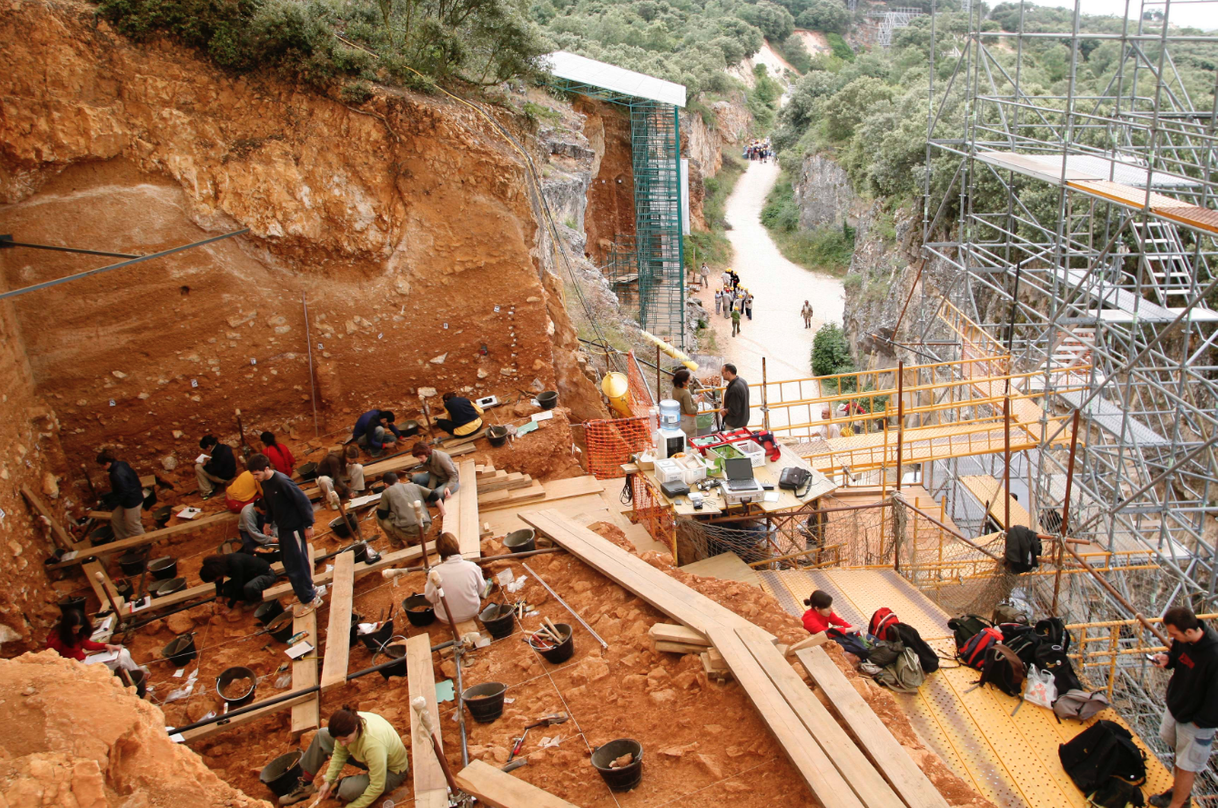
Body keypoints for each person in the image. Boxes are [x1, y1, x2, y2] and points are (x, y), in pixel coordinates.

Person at [1149, 606, 1218, 808]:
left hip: (1197, 721)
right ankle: (1177, 793)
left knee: (1187, 766)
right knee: (1179, 758)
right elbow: (1177, 657)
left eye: (1173, 634)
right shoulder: (1184, 640)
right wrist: (1167, 659)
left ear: (1188, 631)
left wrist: (1200, 723)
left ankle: (1177, 805)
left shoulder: (1214, 654)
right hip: (1178, 707)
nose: (1171, 638)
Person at [278, 707, 410, 807]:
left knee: (347, 790)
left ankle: (340, 785)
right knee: (322, 736)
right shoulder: (349, 723)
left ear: (355, 729)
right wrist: (328, 781)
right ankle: (305, 785)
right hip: (371, 759)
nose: (342, 744)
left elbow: (377, 786)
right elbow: (339, 753)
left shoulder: (373, 744)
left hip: (392, 771)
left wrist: (353, 806)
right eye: (339, 740)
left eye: (345, 739)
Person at [249, 454, 322, 617]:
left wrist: (308, 524)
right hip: (284, 528)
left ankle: (310, 598)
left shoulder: (282, 482)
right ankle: (307, 590)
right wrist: (267, 522)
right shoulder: (266, 483)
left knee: (297, 563)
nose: (255, 478)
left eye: (256, 474)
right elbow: (269, 503)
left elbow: (303, 501)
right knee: (289, 563)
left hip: (294, 528)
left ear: (266, 469)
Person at [47, 609, 144, 674]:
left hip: (86, 661)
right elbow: (52, 657)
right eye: (74, 630)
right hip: (79, 668)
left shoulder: (76, 634)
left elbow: (86, 644)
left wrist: (105, 646)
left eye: (79, 629)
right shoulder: (56, 639)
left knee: (122, 651)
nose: (77, 632)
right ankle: (138, 674)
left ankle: (138, 672)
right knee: (121, 658)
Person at [424, 532, 487, 624]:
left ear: (439, 551)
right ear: (457, 546)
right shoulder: (472, 567)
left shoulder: (434, 573)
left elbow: (430, 598)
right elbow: (481, 589)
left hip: (446, 617)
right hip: (472, 611)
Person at [377, 472, 446, 549]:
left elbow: (381, 515)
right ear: (399, 481)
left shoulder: (387, 492)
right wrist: (443, 512)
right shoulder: (414, 486)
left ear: (386, 485)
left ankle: (396, 543)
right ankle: (414, 540)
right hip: (425, 527)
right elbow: (434, 495)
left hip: (406, 533)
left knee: (378, 516)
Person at [200, 553, 276, 613]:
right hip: (249, 576)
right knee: (226, 589)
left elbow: (238, 586)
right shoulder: (221, 564)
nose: (215, 581)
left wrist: (230, 606)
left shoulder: (235, 564)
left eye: (213, 579)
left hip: (265, 575)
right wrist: (219, 594)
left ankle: (257, 599)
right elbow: (219, 580)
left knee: (249, 587)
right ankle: (248, 597)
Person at [96, 451, 144, 540]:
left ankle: (144, 543)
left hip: (132, 501)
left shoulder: (116, 474)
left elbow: (124, 491)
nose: (102, 468)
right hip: (128, 498)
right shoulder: (122, 464)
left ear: (107, 463)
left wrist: (112, 504)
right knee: (116, 518)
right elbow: (134, 477)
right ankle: (123, 541)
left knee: (133, 524)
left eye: (102, 465)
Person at [196, 435, 237, 500]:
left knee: (198, 467)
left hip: (224, 477)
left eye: (205, 448)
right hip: (231, 473)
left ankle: (208, 491)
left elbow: (215, 471)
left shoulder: (218, 454)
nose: (206, 450)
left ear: (209, 446)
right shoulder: (224, 447)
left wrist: (205, 465)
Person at [672, 368, 699, 439]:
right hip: (688, 421)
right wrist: (696, 403)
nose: (690, 380)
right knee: (691, 443)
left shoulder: (674, 389)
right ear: (683, 382)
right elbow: (690, 410)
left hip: (679, 419)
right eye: (688, 379)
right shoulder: (685, 392)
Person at [721, 364, 750, 429]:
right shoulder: (742, 381)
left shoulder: (735, 388)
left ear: (728, 373)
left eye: (722, 372)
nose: (722, 375)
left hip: (735, 424)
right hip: (743, 420)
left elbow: (734, 410)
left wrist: (724, 411)